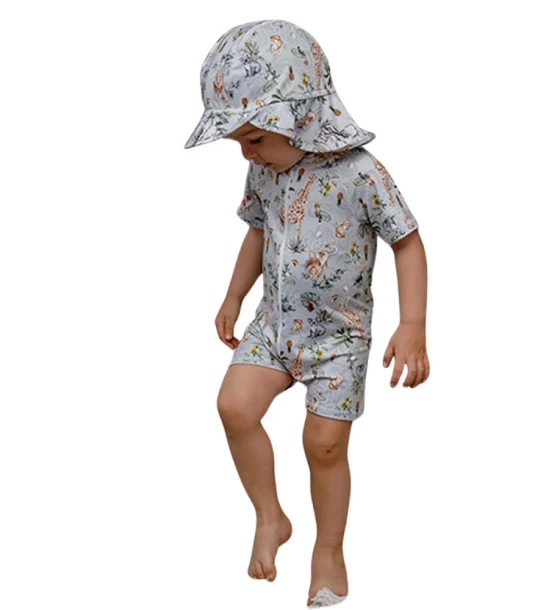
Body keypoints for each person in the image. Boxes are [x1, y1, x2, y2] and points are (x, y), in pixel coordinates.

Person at [184, 19, 430, 608]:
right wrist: (234, 296)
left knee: (323, 445)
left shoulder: (362, 173)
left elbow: (407, 241)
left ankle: (329, 550)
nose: (246, 152)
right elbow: (256, 232)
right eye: (239, 143)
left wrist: (413, 325)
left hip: (339, 340)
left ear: (303, 117)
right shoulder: (265, 168)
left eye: (253, 138)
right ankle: (270, 515)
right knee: (233, 407)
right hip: (275, 326)